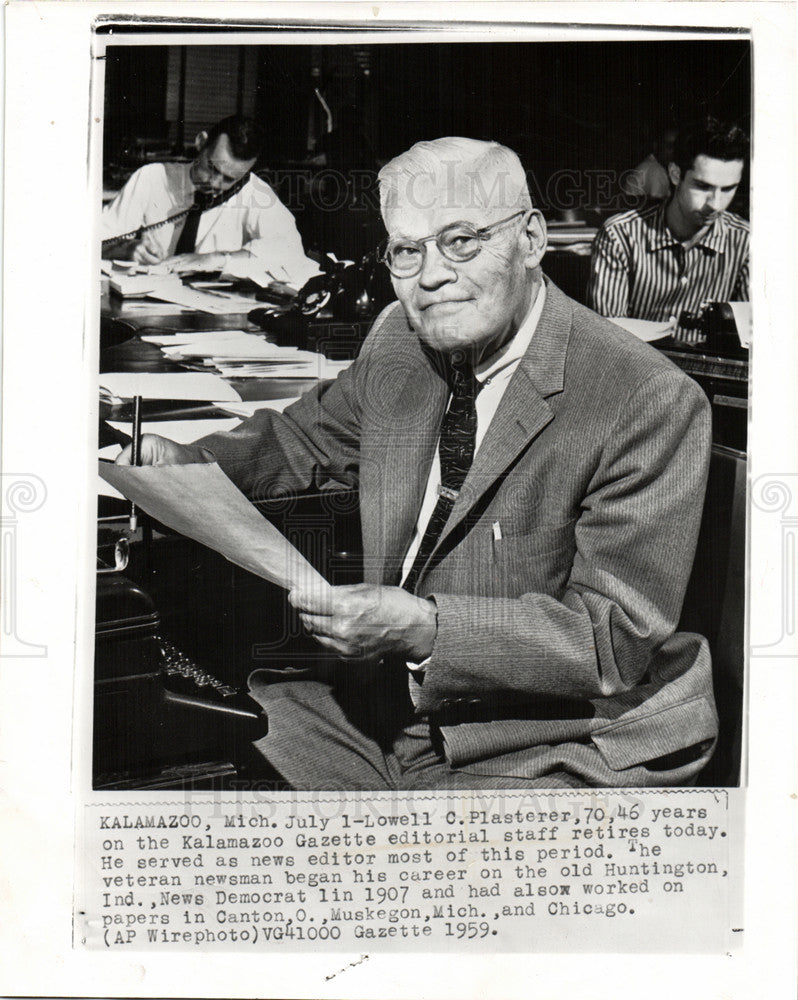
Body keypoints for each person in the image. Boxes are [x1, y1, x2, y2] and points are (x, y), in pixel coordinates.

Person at [118, 137, 717, 790]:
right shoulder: (401, 342)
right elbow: (295, 446)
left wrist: (425, 630)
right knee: (189, 755)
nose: (430, 275)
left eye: (460, 241)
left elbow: (613, 641)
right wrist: (182, 462)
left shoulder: (646, 398)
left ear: (532, 239)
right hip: (393, 711)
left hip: (559, 735)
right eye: (407, 250)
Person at [102, 115, 320, 290]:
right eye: (212, 168)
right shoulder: (152, 178)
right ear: (201, 142)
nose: (215, 183)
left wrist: (218, 259)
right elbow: (92, 241)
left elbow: (291, 252)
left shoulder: (254, 193)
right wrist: (127, 248)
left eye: (229, 179)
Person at [588, 117, 749, 341]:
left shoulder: (748, 243)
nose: (716, 203)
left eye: (729, 189)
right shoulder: (620, 236)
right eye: (703, 186)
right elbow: (606, 340)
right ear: (675, 174)